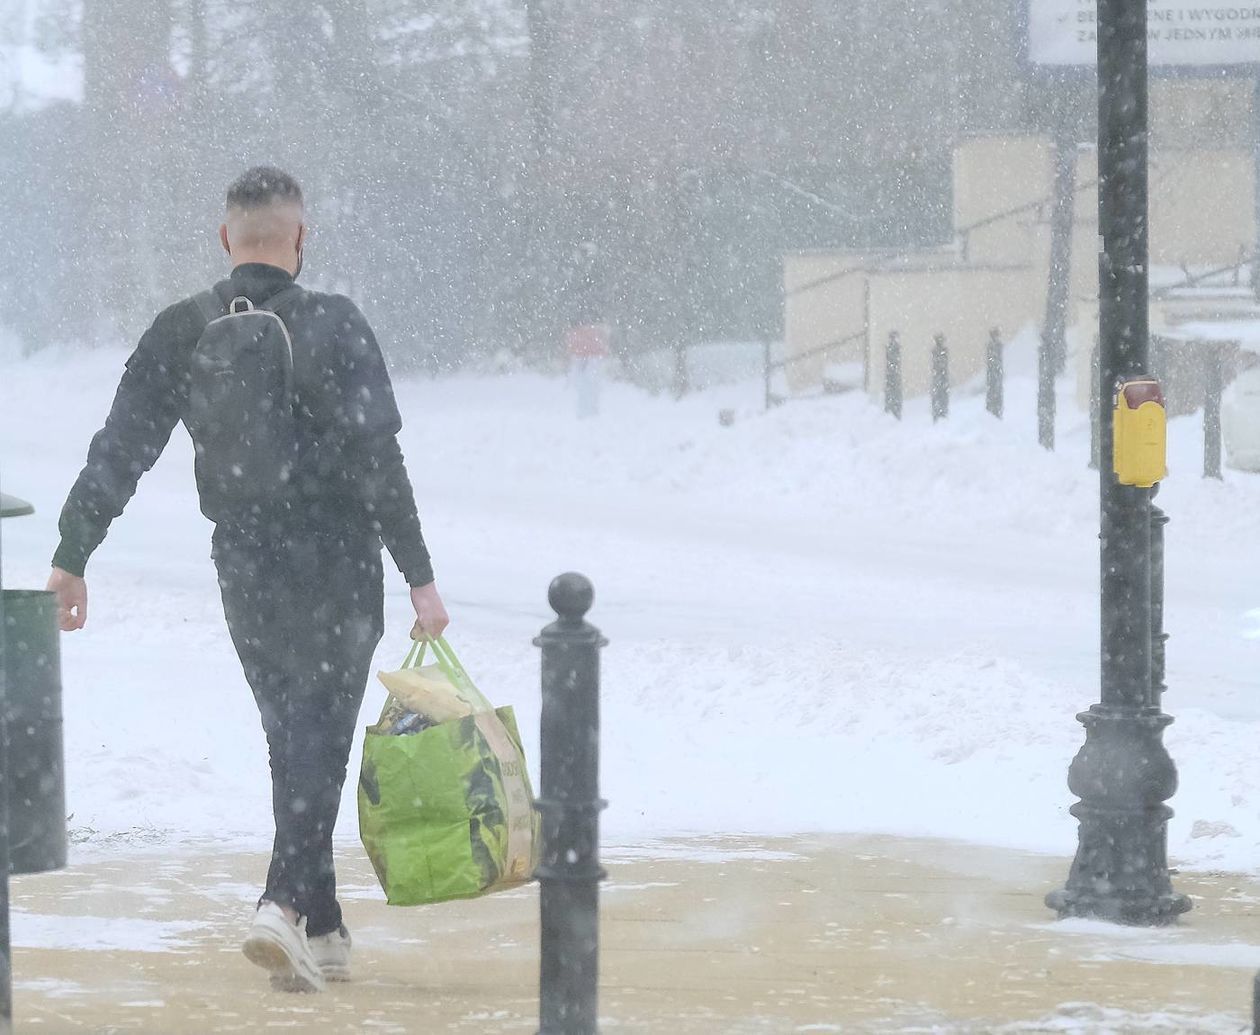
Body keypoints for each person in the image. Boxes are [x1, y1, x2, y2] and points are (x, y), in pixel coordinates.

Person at [46, 166, 448, 993]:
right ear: (300, 239)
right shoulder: (338, 323)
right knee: (318, 736)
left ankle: (324, 925)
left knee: (289, 736)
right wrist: (419, 574)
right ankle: (281, 902)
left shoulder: (183, 329)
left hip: (245, 557)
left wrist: (72, 550)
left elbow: (121, 447)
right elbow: (380, 461)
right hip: (337, 557)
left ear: (226, 239)